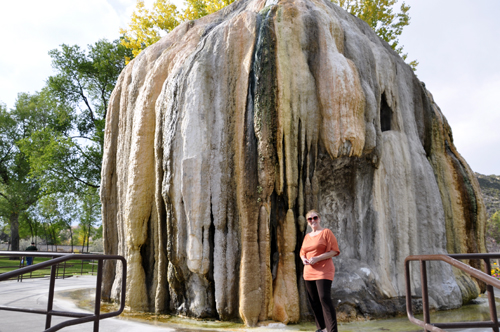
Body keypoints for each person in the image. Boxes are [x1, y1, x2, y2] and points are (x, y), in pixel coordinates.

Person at [300, 210, 340, 332]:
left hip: (324, 270)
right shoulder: (307, 237)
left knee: (324, 298)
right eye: (310, 219)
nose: (313, 221)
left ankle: (332, 330)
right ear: (307, 222)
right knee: (314, 301)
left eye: (315, 218)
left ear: (319, 218)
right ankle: (322, 328)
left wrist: (318, 258)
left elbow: (334, 251)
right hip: (309, 272)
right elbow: (302, 252)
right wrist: (303, 259)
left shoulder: (326, 232)